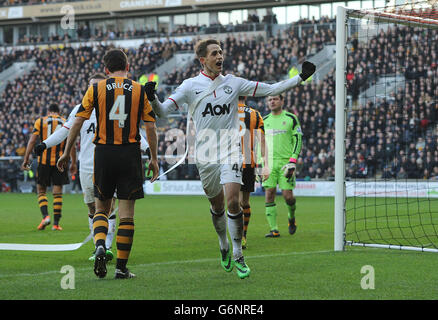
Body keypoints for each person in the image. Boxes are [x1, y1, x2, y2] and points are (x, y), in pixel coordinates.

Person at [143, 38, 315, 279]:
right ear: (203, 60)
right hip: (205, 154)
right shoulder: (190, 86)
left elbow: (270, 88)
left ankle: (238, 254)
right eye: (214, 53)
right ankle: (223, 244)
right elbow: (161, 111)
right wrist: (152, 98)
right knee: (217, 206)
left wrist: (300, 78)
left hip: (230, 149)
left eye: (221, 52)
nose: (220, 56)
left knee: (233, 201)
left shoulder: (233, 83)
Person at [57, 49, 159, 279]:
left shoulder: (96, 88)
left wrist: (65, 153)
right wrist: (153, 157)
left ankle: (100, 244)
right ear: (127, 65)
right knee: (126, 215)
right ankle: (121, 268)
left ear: (106, 69)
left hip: (103, 154)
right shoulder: (139, 89)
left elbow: (77, 123)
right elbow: (150, 127)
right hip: (130, 153)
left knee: (100, 209)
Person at [35, 73, 151, 262]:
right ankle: (97, 245)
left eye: (97, 86)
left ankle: (106, 246)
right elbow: (65, 131)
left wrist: (147, 149)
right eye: (91, 86)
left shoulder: (114, 108)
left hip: (107, 164)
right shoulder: (79, 110)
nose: (94, 89)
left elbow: (134, 132)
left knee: (108, 207)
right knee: (92, 208)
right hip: (87, 166)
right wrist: (45, 144)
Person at [21, 103, 73, 231]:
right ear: (58, 111)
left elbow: (33, 140)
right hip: (59, 161)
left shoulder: (41, 121)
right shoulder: (65, 121)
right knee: (57, 193)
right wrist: (74, 162)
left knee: (42, 191)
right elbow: (70, 143)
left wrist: (26, 158)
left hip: (43, 161)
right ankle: (55, 224)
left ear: (49, 111)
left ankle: (45, 217)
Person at [262, 94, 303, 238]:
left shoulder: (291, 118)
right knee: (269, 193)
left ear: (282, 101)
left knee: (288, 196)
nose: (272, 102)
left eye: (275, 99)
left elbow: (298, 139)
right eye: (269, 100)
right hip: (269, 164)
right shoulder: (264, 120)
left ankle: (291, 217)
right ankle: (274, 229)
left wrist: (293, 160)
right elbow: (258, 143)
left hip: (286, 164)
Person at [237, 96, 269, 249]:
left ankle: (236, 235)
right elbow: (262, 141)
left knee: (233, 203)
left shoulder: (225, 111)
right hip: (249, 162)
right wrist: (266, 165)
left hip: (229, 162)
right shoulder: (255, 114)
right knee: (244, 202)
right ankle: (243, 235)